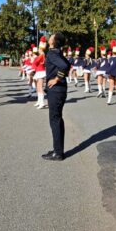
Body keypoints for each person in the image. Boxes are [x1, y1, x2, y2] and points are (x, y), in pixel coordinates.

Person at [42, 33, 71, 162]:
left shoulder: (52, 53)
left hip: (56, 90)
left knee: (54, 120)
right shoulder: (58, 52)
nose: (49, 38)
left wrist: (56, 79)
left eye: (51, 37)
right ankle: (57, 149)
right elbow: (67, 65)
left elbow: (64, 66)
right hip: (60, 90)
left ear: (54, 41)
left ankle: (58, 153)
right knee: (58, 119)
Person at [32, 37, 48, 109]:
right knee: (38, 87)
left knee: (40, 87)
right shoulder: (40, 55)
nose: (38, 49)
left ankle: (42, 102)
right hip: (38, 71)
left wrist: (34, 60)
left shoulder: (42, 55)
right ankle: (39, 101)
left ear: (41, 48)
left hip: (41, 72)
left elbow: (36, 62)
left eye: (39, 48)